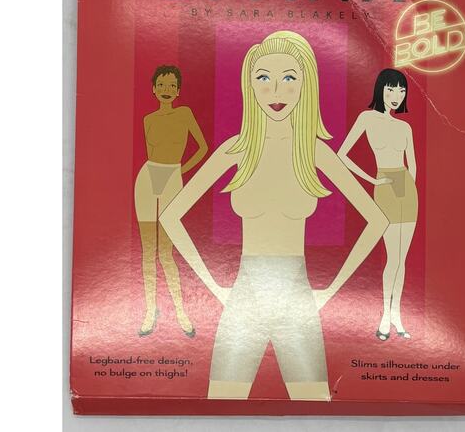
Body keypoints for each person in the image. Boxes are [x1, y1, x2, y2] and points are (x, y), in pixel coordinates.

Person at [160, 31, 388, 401]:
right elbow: (171, 216)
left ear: (306, 85)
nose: (276, 91)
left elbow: (376, 219)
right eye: (263, 78)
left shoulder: (314, 151)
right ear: (249, 85)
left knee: (316, 409)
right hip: (244, 296)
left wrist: (329, 292)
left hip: (297, 297)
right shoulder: (236, 149)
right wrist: (214, 287)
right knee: (220, 409)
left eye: (289, 78)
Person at [337, 68, 418, 341]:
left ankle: (397, 314)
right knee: (392, 258)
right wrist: (372, 179)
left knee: (401, 259)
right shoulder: (367, 118)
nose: (396, 95)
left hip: (406, 189)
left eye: (401, 90)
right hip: (384, 186)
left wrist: (408, 188)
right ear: (380, 89)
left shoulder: (404, 127)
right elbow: (343, 154)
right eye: (391, 89)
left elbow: (412, 165)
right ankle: (385, 315)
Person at [134, 65, 208, 337]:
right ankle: (149, 311)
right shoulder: (148, 119)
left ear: (178, 91)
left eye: (172, 86)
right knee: (147, 252)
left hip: (172, 178)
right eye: (161, 85)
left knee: (166, 253)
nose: (166, 90)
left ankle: (180, 312)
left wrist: (181, 171)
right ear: (154, 89)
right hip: (147, 179)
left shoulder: (184, 114)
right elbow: (151, 153)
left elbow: (202, 148)